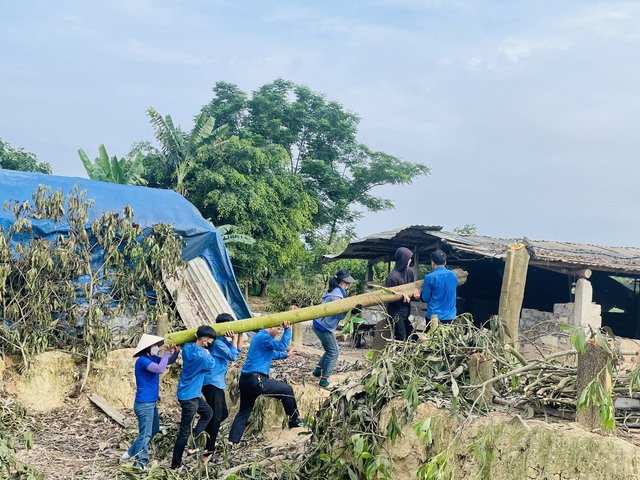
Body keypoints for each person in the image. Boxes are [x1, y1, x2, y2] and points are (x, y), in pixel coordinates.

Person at [228, 321, 302, 446]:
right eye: (278, 329)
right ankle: (294, 419)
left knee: (244, 411)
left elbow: (271, 354)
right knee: (287, 390)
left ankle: (232, 441)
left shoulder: (259, 338)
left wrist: (286, 355)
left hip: (245, 379)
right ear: (271, 327)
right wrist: (287, 329)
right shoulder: (264, 337)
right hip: (257, 380)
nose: (278, 332)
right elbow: (281, 345)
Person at [123, 334, 179, 469]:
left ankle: (131, 452)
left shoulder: (152, 358)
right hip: (144, 403)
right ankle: (140, 462)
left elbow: (168, 361)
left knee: (153, 429)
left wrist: (176, 351)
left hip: (150, 402)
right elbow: (160, 369)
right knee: (145, 434)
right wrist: (166, 353)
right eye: (154, 346)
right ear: (147, 347)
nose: (157, 348)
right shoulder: (142, 361)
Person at [171, 325, 217, 472]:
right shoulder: (203, 357)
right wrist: (207, 352)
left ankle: (193, 442)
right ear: (204, 341)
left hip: (189, 393)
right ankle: (176, 464)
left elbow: (188, 342)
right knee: (184, 430)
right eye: (209, 341)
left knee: (208, 413)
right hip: (190, 396)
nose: (210, 344)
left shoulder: (188, 349)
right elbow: (212, 364)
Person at [201, 313, 243, 463]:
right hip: (211, 382)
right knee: (216, 416)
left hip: (217, 383)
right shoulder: (217, 343)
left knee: (222, 414)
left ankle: (201, 436)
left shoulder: (223, 341)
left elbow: (237, 352)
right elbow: (232, 356)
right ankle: (207, 453)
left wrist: (240, 334)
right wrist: (234, 338)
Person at [312, 270, 356, 388]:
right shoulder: (336, 295)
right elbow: (338, 314)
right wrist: (351, 311)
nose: (348, 286)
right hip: (324, 326)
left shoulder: (335, 291)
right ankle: (324, 379)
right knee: (334, 352)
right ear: (342, 282)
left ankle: (317, 370)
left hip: (319, 323)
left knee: (329, 349)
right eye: (347, 283)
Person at [385, 247, 421, 341]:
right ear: (402, 259)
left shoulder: (409, 272)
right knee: (402, 339)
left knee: (413, 338)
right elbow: (389, 297)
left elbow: (412, 290)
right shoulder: (392, 277)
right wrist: (400, 296)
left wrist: (416, 296)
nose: (410, 260)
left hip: (405, 313)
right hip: (395, 313)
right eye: (408, 258)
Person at [420, 250, 458, 322]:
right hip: (450, 316)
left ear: (432, 262)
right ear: (445, 262)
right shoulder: (453, 275)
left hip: (434, 317)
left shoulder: (429, 277)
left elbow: (425, 298)